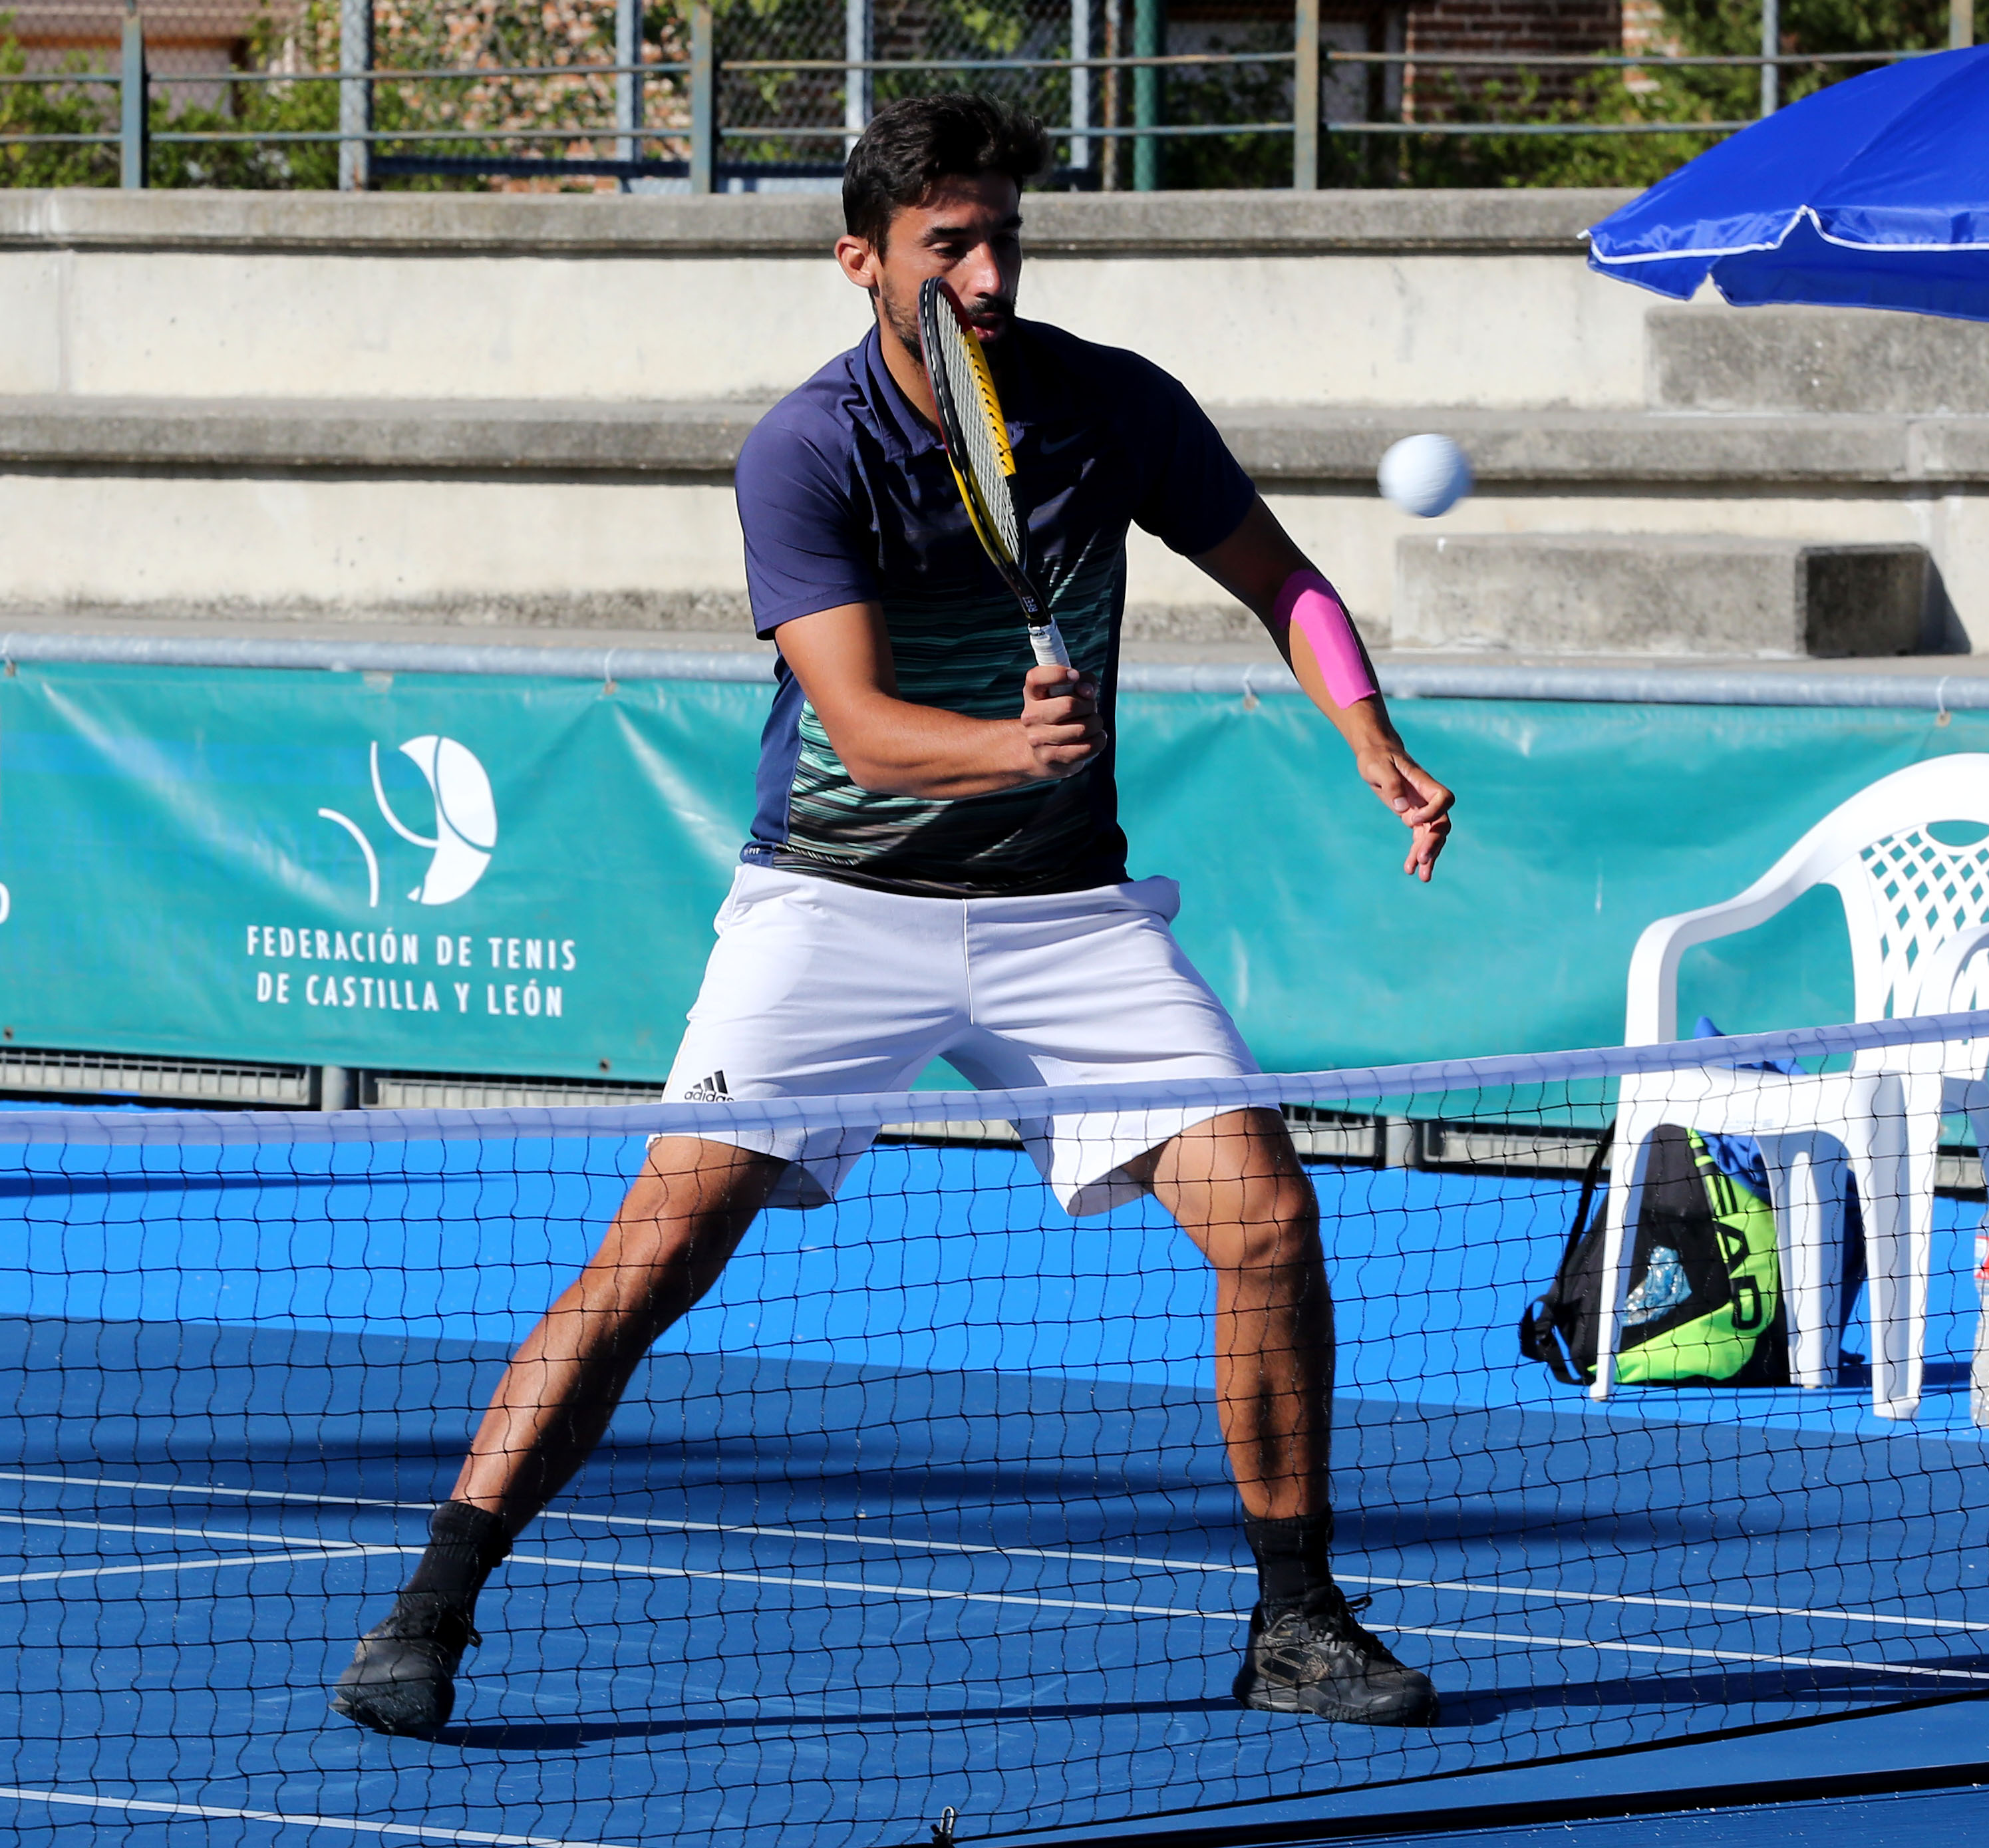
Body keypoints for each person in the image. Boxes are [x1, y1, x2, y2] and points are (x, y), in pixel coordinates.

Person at [331, 90, 1454, 1740]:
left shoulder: (1113, 404)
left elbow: (1280, 578)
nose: (987, 275)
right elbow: (859, 728)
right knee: (659, 1249)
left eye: (1006, 238)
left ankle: (1296, 1622)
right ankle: (431, 1606)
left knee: (1271, 1219)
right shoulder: (807, 449)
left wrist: (1367, 732)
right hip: (836, 905)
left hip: (1066, 915)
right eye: (948, 245)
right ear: (861, 259)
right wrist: (1013, 747)